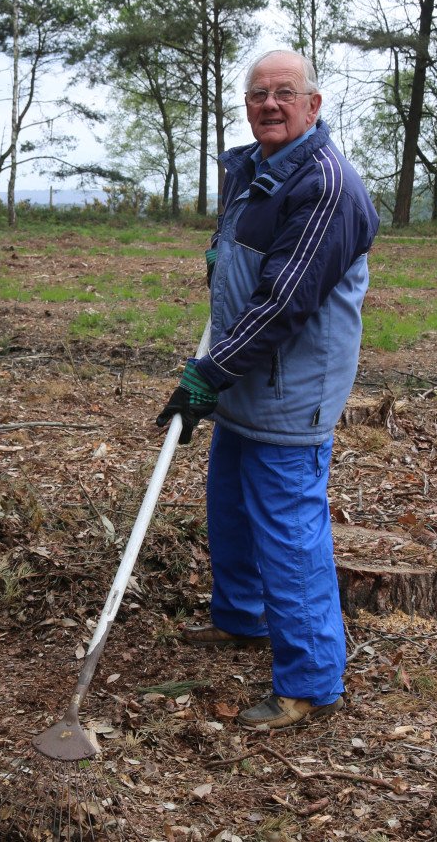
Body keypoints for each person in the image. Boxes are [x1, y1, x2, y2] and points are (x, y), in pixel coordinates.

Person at [156, 50, 377, 730]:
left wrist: (208, 376)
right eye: (257, 95)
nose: (269, 105)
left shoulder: (324, 183)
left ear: (313, 105)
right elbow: (245, 268)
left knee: (287, 531)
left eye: (285, 93)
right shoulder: (253, 169)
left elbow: (282, 303)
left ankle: (310, 680)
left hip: (288, 383)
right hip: (245, 377)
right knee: (228, 508)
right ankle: (242, 618)